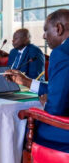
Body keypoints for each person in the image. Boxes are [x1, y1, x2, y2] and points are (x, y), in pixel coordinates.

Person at [5, 9, 69, 152]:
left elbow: (55, 109)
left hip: (64, 133)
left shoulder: (61, 53)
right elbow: (61, 90)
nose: (44, 36)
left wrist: (46, 103)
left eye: (46, 30)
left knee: (20, 130)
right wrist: (27, 82)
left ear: (58, 28)